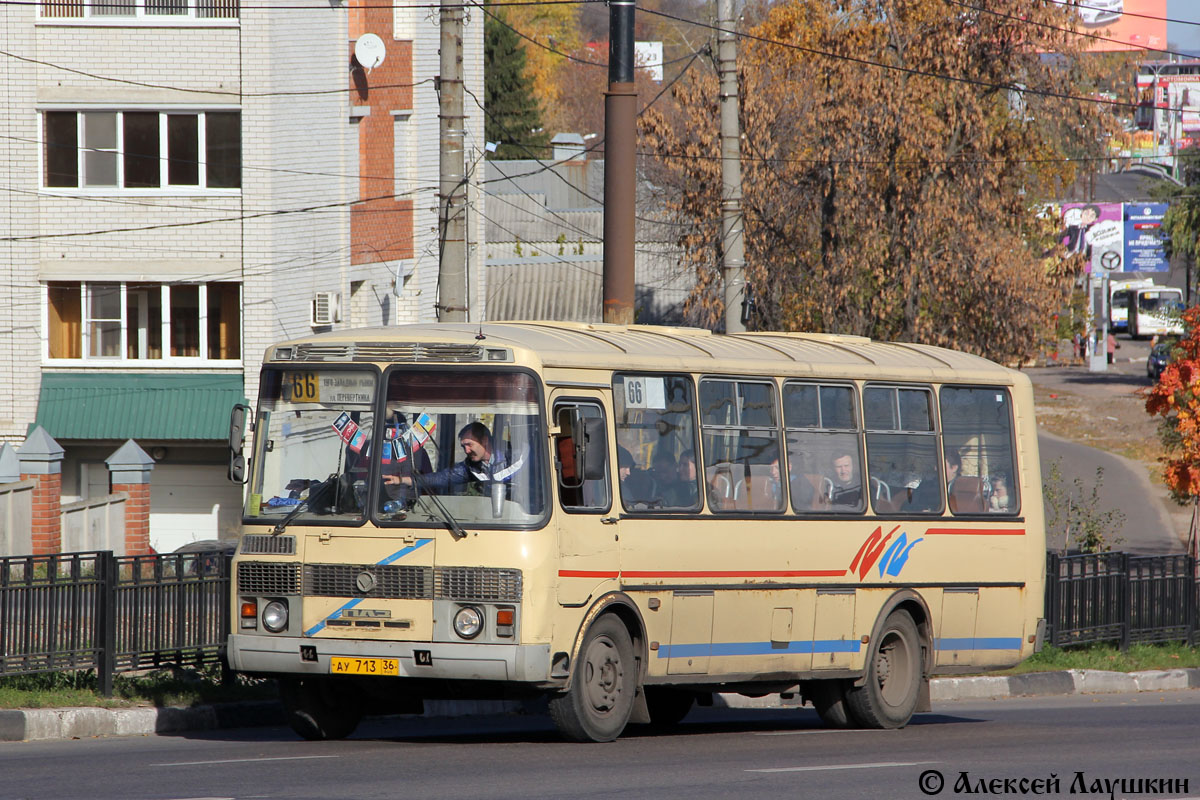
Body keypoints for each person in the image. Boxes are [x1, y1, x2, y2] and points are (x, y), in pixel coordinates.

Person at [384, 422, 522, 495]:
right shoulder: (470, 468)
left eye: (469, 444)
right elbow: (439, 478)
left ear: (485, 440)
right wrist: (402, 480)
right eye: (463, 446)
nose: (466, 451)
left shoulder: (516, 457)